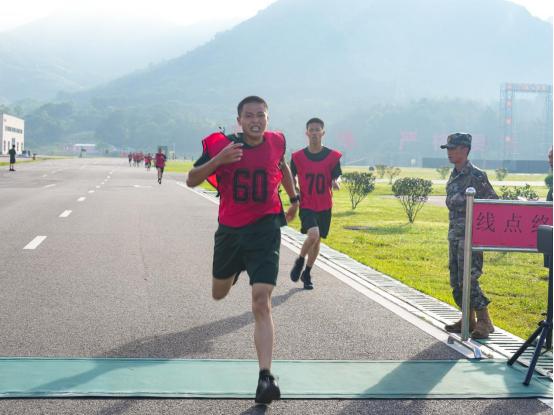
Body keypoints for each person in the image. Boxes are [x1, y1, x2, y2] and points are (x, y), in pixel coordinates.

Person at [186, 96, 299, 405]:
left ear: (267, 118)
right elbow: (191, 180)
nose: (255, 120)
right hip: (230, 233)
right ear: (239, 120)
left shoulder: (276, 141)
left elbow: (282, 166)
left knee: (261, 302)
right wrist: (218, 160)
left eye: (261, 115)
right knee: (219, 292)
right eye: (249, 115)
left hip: (265, 231)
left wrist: (294, 197)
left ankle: (266, 377)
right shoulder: (223, 146)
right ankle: (234, 271)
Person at [441, 132, 498, 339]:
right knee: (456, 279)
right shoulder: (454, 174)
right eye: (447, 148)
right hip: (455, 235)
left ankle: (484, 320)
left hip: (471, 237)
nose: (449, 152)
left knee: (469, 279)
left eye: (452, 148)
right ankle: (468, 318)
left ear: (464, 150)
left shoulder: (477, 175)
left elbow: (492, 204)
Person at [289, 118, 342, 289]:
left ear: (322, 133)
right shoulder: (297, 157)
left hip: (325, 204)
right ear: (307, 133)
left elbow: (336, 174)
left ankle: (307, 273)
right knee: (313, 235)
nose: (314, 132)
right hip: (307, 203)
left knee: (317, 241)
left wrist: (336, 181)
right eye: (311, 129)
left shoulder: (332, 156)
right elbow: (291, 176)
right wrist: (294, 186)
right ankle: (300, 261)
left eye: (317, 129)